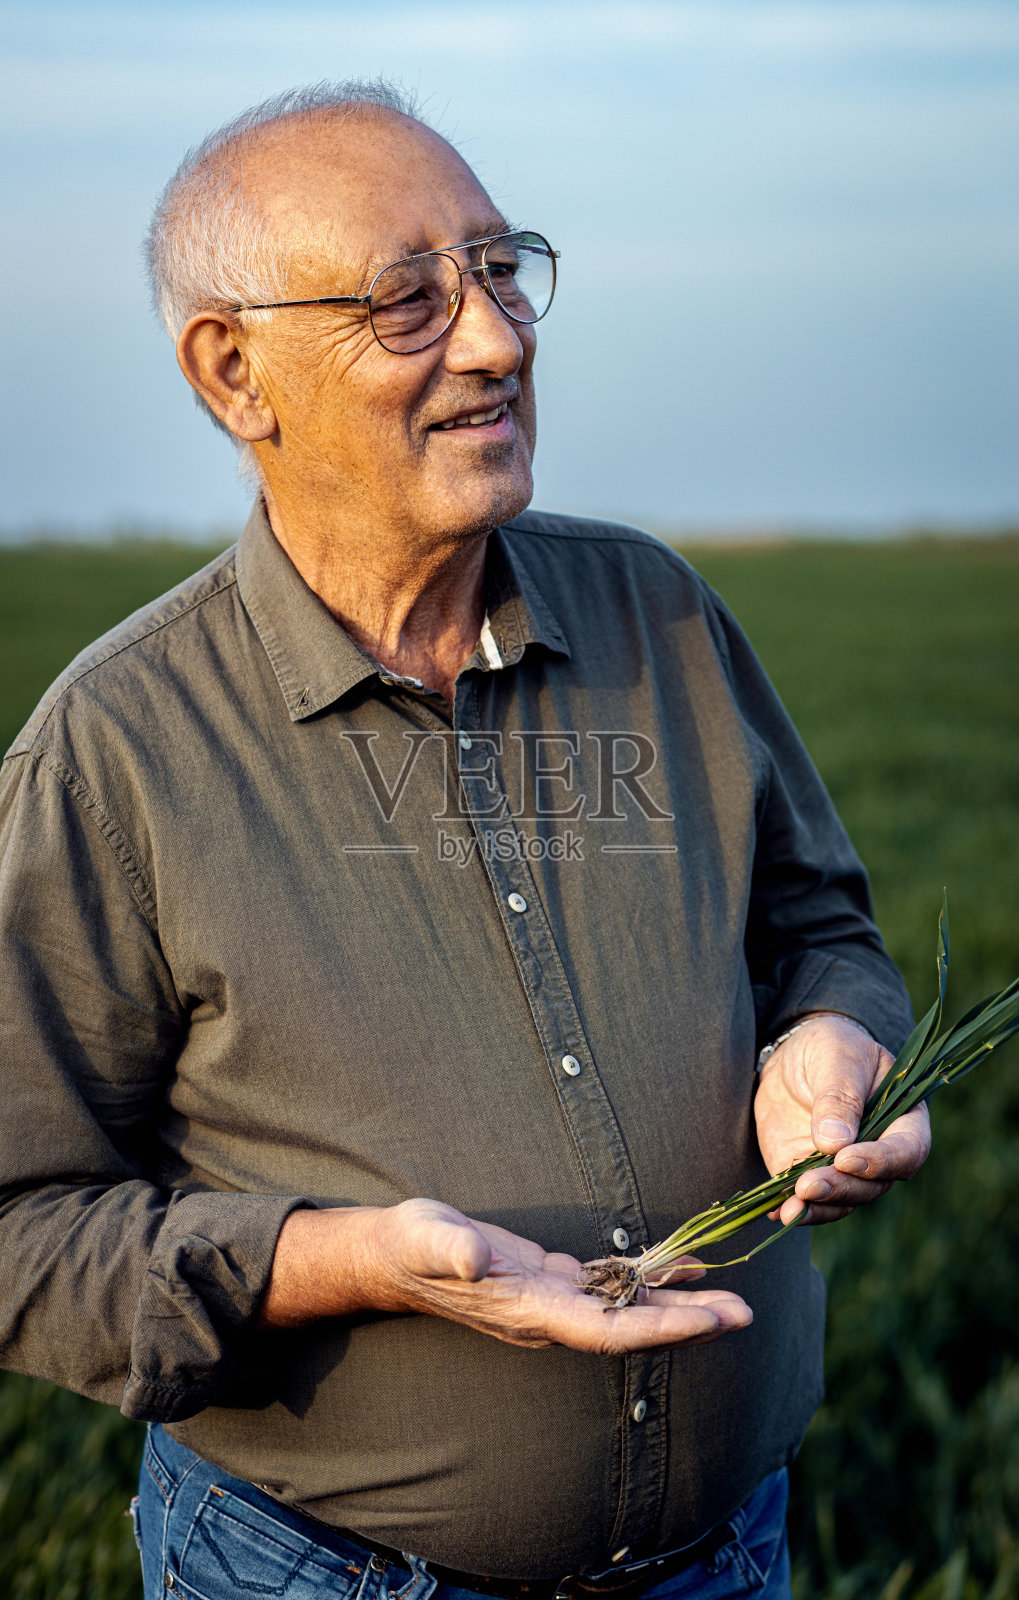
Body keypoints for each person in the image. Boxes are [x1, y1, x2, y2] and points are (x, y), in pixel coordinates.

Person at [0, 81, 929, 1600]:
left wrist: (833, 1037)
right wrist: (348, 1261)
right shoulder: (117, 749)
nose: (499, 339)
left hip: (727, 1555)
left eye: (501, 270)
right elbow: (18, 1229)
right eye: (407, 301)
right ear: (236, 374)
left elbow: (820, 928)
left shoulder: (662, 617)